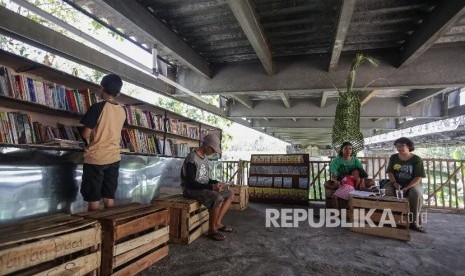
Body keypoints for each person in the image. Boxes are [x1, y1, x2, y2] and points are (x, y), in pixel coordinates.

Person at [79, 74, 127, 211]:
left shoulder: (97, 107)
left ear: (102, 87)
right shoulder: (122, 111)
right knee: (108, 198)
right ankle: (110, 229)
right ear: (118, 92)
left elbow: (86, 134)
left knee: (93, 199)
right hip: (114, 158)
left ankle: (95, 230)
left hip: (96, 158)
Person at [181, 134, 234, 241]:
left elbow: (204, 178)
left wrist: (216, 182)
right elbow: (191, 183)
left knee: (230, 193)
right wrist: (212, 187)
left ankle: (217, 223)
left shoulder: (204, 157)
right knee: (217, 198)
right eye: (213, 149)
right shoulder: (192, 158)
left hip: (202, 188)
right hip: (191, 190)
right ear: (206, 145)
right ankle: (212, 230)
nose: (214, 152)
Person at [384, 137, 426, 232]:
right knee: (386, 191)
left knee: (416, 194)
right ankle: (391, 218)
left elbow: (418, 177)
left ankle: (414, 222)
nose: (399, 148)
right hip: (396, 182)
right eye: (397, 146)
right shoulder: (393, 157)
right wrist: (394, 183)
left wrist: (407, 187)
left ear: (409, 146)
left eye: (402, 145)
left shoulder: (416, 159)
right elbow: (390, 172)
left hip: (412, 184)